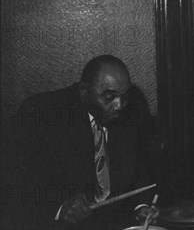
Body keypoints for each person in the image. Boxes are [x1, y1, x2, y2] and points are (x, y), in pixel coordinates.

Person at [3, 55, 159, 230]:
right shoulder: (43, 114)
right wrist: (59, 209)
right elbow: (14, 183)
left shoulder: (129, 112)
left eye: (124, 96)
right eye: (109, 97)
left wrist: (141, 207)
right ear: (84, 91)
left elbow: (138, 169)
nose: (119, 105)